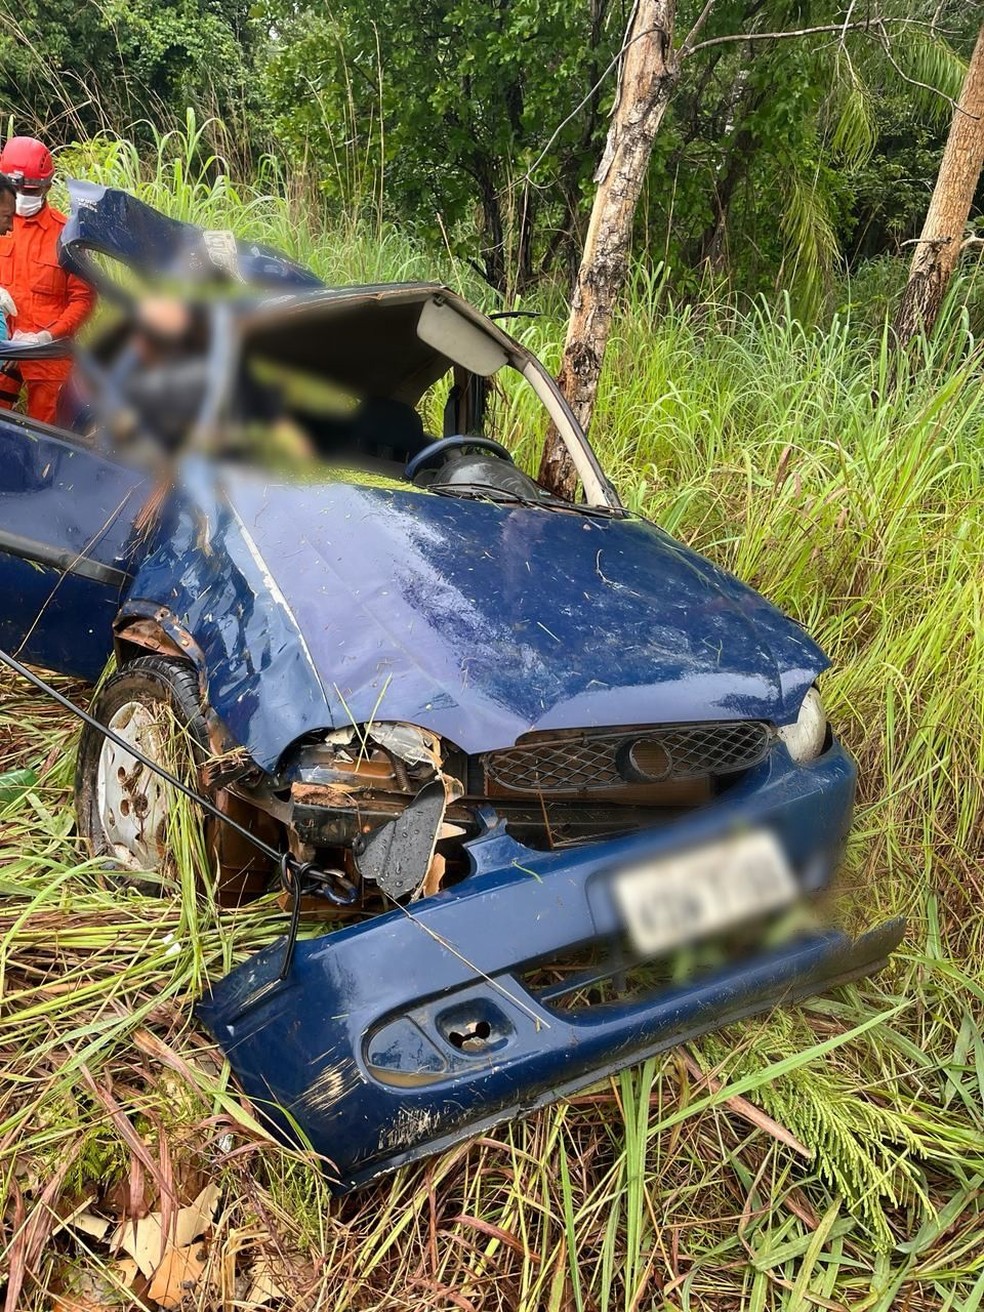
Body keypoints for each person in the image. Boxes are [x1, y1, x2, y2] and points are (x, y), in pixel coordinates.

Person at [0, 137, 95, 424]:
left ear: (48, 187)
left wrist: (47, 336)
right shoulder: (1, 223)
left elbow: (83, 299)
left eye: (30, 190)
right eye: (15, 188)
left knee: (46, 433)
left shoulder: (67, 235)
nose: (21, 196)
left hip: (49, 353)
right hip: (4, 345)